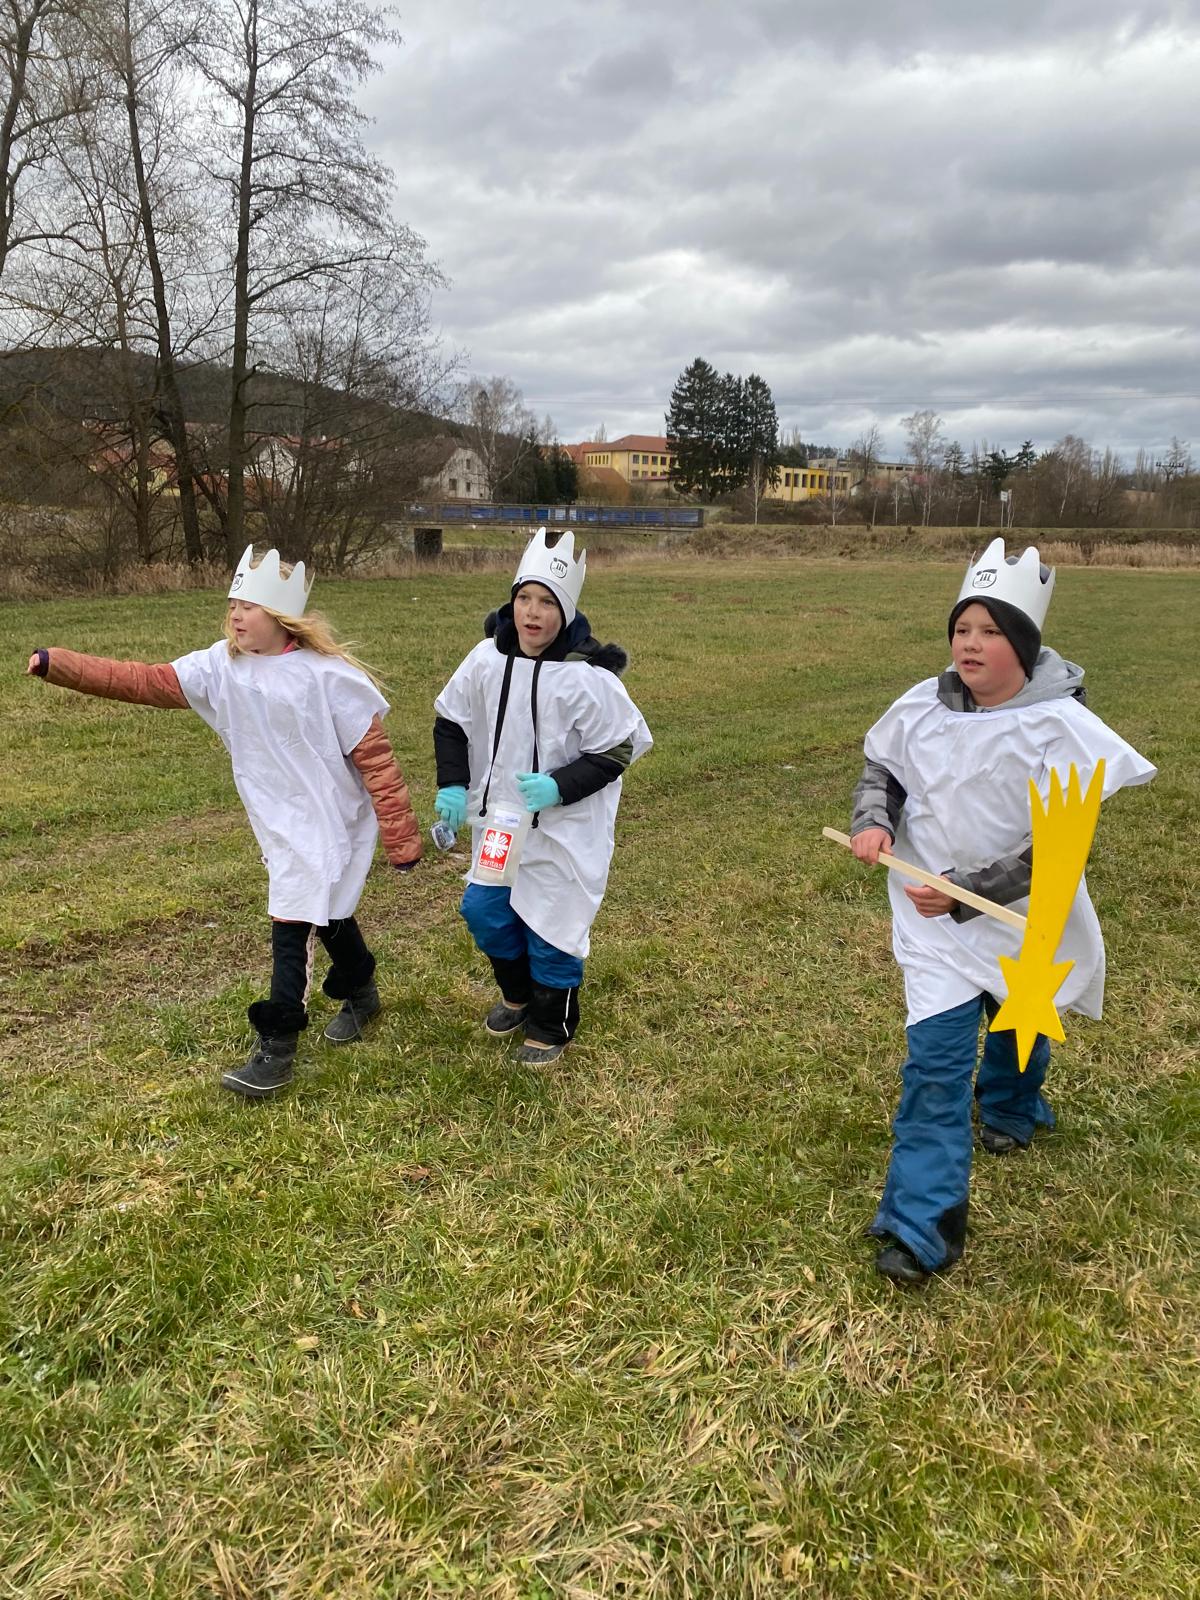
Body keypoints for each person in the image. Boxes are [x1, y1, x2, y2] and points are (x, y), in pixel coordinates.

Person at [849, 538, 1155, 1285]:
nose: (971, 643)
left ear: (1022, 643)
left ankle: (1014, 1108)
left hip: (1024, 917)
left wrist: (967, 890)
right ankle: (922, 1226)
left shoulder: (1061, 728)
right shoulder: (922, 705)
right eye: (962, 628)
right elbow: (884, 767)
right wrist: (875, 818)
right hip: (931, 924)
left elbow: (1057, 849)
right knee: (936, 1064)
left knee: (1020, 1020)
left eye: (990, 630)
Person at [26, 545, 421, 1099]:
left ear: (280, 618)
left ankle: (277, 1049)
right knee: (327, 911)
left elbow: (376, 760)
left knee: (293, 921)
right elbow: (143, 680)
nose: (235, 615)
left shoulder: (328, 677)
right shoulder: (220, 667)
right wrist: (61, 665)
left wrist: (401, 837)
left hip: (329, 818)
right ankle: (361, 990)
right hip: (277, 819)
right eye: (232, 605)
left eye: (248, 607)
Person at [432, 528, 651, 1063]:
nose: (533, 613)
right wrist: (453, 785)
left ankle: (552, 1024)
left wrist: (559, 786)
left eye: (548, 602)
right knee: (485, 910)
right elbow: (452, 720)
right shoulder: (486, 659)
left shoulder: (587, 679)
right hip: (502, 824)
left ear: (566, 611)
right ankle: (518, 995)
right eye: (524, 598)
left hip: (564, 829)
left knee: (552, 924)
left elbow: (620, 747)